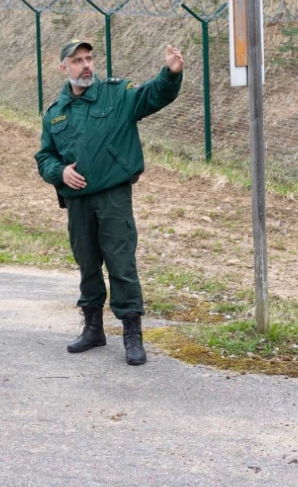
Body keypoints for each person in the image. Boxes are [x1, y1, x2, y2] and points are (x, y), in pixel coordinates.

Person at [35, 39, 185, 366]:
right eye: (77, 60)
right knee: (87, 264)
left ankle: (132, 333)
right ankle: (93, 329)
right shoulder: (56, 114)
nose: (86, 65)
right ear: (64, 68)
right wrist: (59, 173)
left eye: (89, 58)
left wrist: (170, 74)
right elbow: (44, 156)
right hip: (77, 203)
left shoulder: (117, 94)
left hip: (113, 196)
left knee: (121, 263)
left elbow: (152, 95)